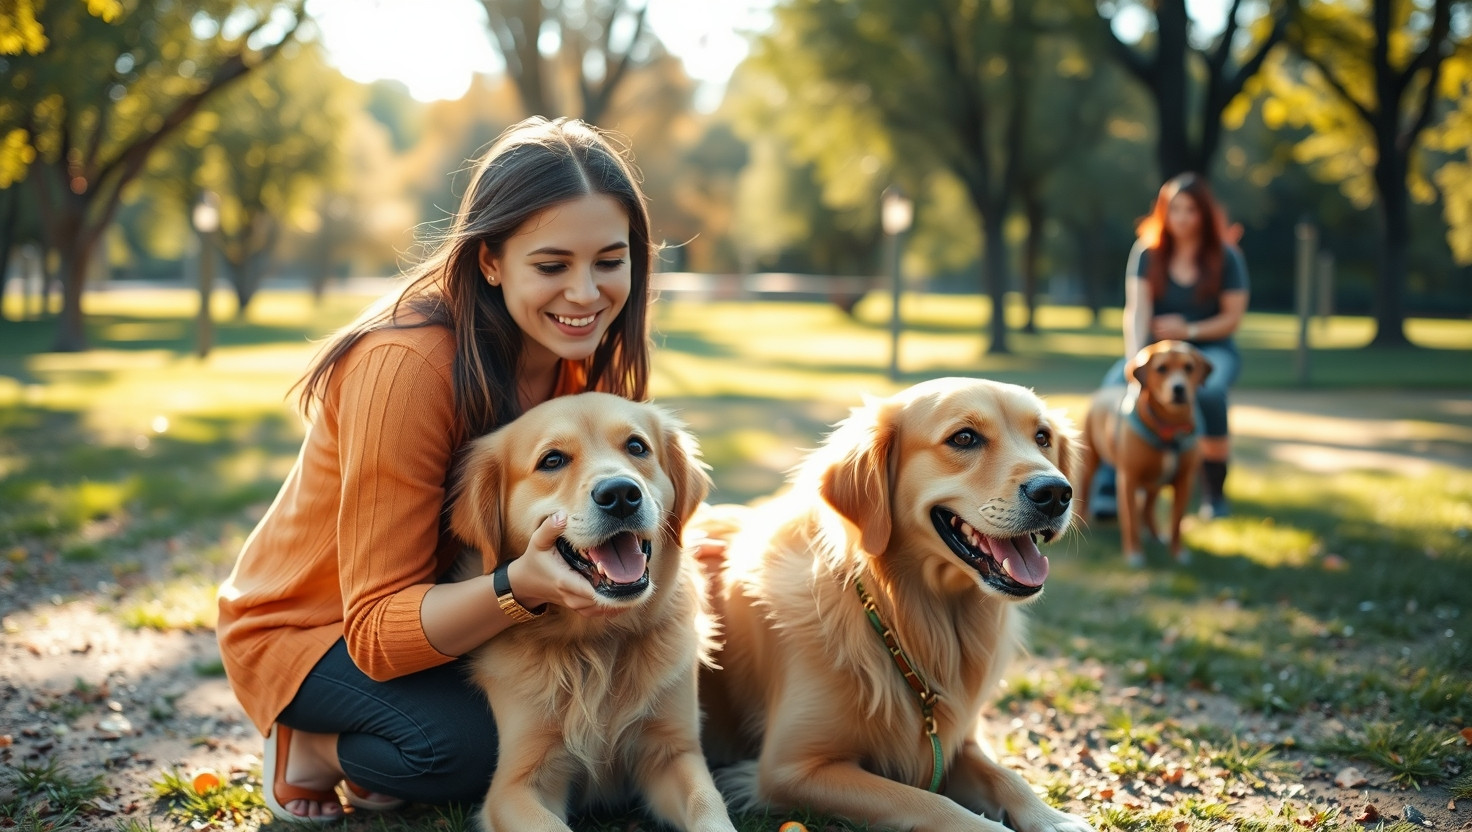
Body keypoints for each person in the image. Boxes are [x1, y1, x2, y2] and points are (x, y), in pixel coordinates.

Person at [215, 116, 657, 822]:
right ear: (490, 261)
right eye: (552, 267)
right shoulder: (406, 366)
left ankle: (384, 742)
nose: (585, 293)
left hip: (456, 606)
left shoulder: (573, 360)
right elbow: (374, 632)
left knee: (600, 722)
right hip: (315, 630)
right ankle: (313, 749)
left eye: (609, 261)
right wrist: (519, 588)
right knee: (475, 750)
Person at [1092, 172, 1250, 520]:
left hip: (1210, 350)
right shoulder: (1147, 252)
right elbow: (1137, 311)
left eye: (1191, 210)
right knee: (1114, 388)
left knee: (1209, 394)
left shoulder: (1226, 257)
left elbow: (1232, 319)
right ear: (1163, 211)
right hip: (1157, 354)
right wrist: (1135, 360)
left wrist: (1188, 328)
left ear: (1204, 214)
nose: (1182, 217)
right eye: (1175, 209)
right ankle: (1108, 486)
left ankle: (1214, 492)